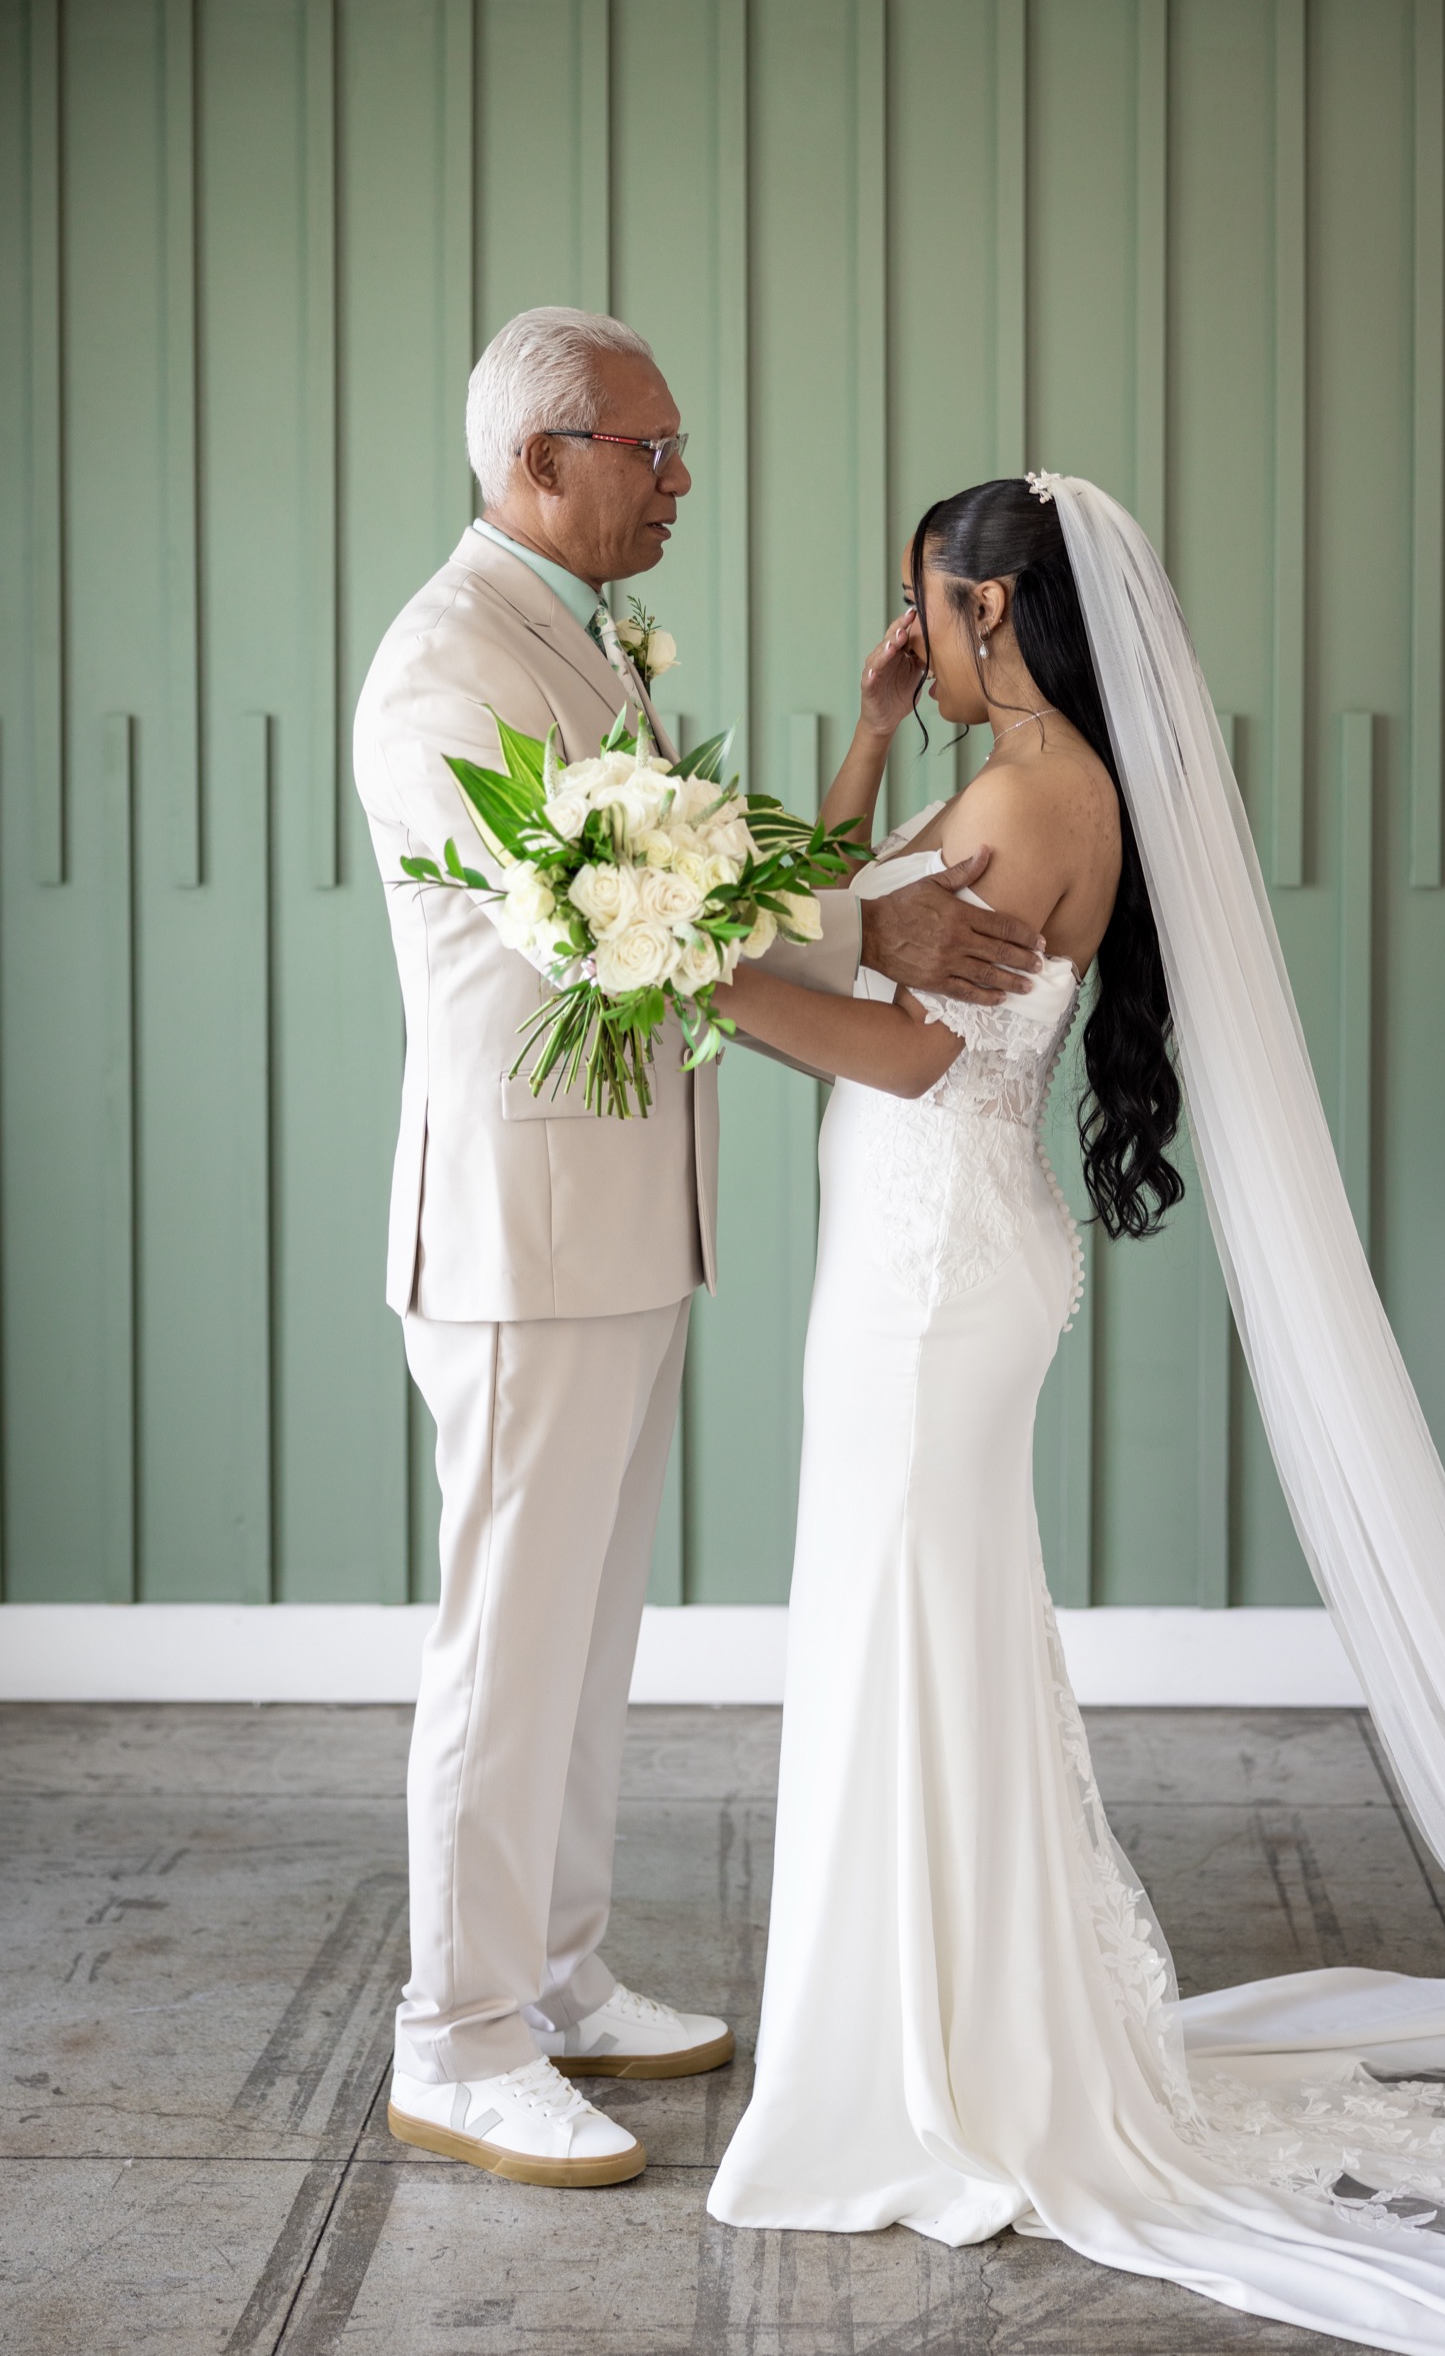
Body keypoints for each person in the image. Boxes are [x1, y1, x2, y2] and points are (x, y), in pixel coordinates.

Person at [706, 475, 1445, 2353]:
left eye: (924, 612)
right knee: (915, 1634)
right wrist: (866, 734)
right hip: (929, 1256)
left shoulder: (1041, 797)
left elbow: (899, 1032)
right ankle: (932, 2014)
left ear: (997, 610)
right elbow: (840, 915)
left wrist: (700, 978)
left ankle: (919, 2067)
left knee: (903, 1634)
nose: (914, 636)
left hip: (938, 1271)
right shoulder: (1022, 768)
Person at [353, 311, 1044, 2190]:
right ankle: (460, 2036)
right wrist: (878, 948)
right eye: (651, 452)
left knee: (585, 1632)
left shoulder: (578, 640)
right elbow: (620, 929)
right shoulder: (445, 667)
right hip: (520, 1227)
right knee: (506, 1644)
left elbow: (697, 876)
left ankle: (557, 1976)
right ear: (540, 460)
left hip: (630, 1213)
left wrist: (860, 829)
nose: (681, 481)